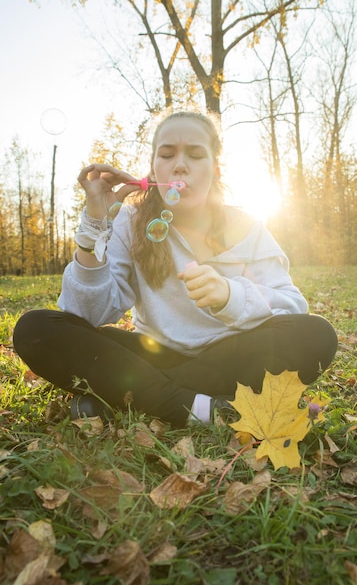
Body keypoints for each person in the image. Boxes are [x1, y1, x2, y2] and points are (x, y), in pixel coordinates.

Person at [13, 110, 338, 427]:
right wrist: (93, 229)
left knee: (316, 335)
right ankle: (199, 408)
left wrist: (230, 295)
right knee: (36, 329)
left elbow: (292, 305)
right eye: (167, 155)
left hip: (233, 355)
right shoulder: (129, 221)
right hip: (153, 353)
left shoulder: (248, 227)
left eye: (196, 155)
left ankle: (124, 397)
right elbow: (87, 316)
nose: (180, 165)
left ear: (216, 170)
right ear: (154, 169)